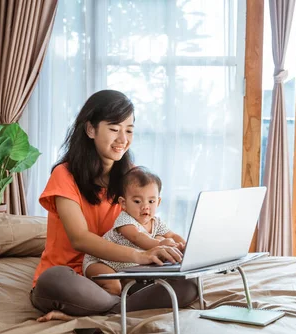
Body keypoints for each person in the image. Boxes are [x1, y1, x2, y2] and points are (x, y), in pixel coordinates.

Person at [31, 90, 198, 322]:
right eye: (114, 129)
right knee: (54, 280)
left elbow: (148, 223)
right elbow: (79, 238)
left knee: (188, 286)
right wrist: (141, 255)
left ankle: (102, 310)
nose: (123, 139)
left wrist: (175, 246)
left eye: (129, 130)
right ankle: (119, 307)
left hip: (121, 275)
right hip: (74, 278)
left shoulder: (131, 177)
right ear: (91, 129)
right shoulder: (64, 175)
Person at [83, 166, 186, 296]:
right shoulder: (125, 220)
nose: (145, 207)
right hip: (100, 261)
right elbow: (138, 238)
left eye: (151, 201)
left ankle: (121, 300)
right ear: (123, 203)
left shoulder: (156, 222)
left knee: (141, 285)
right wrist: (162, 245)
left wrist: (183, 245)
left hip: (125, 266)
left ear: (158, 202)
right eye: (137, 201)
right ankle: (105, 304)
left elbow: (172, 235)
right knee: (113, 286)